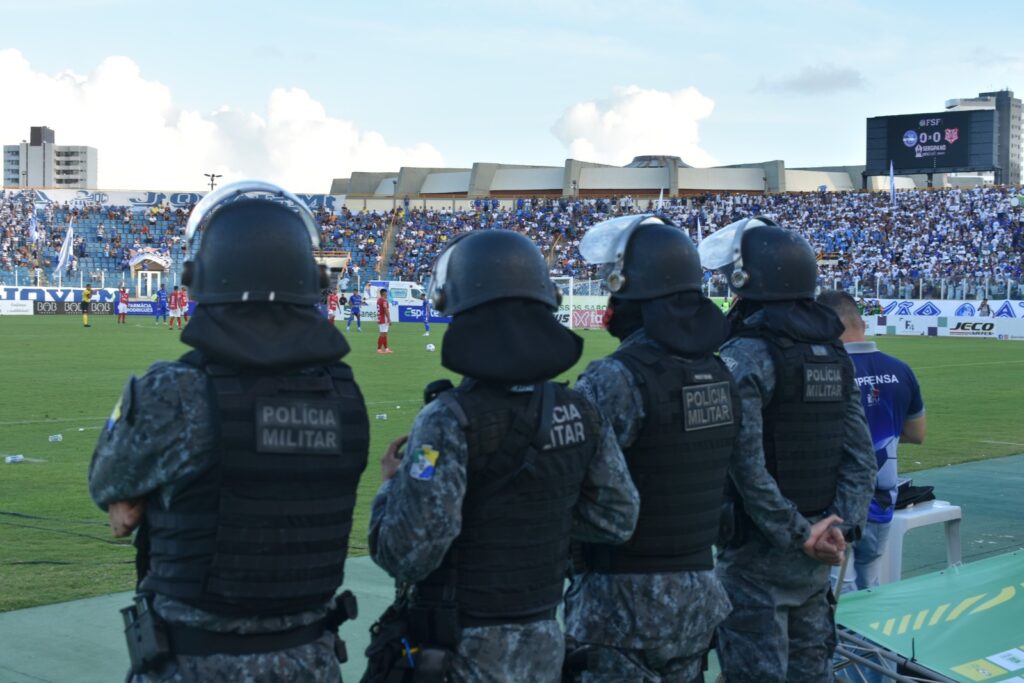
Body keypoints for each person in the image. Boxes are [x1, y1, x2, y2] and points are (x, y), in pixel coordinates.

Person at [88, 181, 369, 682]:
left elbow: (108, 485)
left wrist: (148, 496)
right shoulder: (345, 396)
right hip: (312, 660)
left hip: (195, 661)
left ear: (201, 276)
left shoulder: (175, 390)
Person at [366, 230, 640, 682]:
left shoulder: (446, 419)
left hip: (461, 648)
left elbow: (408, 554)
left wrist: (393, 484)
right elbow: (617, 518)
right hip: (544, 640)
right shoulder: (581, 410)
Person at [699, 217, 876, 683]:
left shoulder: (746, 354)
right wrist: (839, 529)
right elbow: (861, 455)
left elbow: (744, 464)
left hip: (759, 560)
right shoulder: (833, 354)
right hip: (820, 554)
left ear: (747, 282)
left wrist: (798, 532)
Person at [565, 215, 739, 682]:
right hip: (699, 593)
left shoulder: (615, 376)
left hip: (620, 605)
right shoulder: (721, 373)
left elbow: (571, 483)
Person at [817, 291, 926, 590]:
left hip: (835, 498)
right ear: (862, 323)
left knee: (838, 584)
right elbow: (917, 434)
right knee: (870, 579)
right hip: (881, 495)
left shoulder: (824, 371)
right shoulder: (901, 369)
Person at [376, 288, 392, 354]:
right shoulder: (384, 301)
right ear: (383, 293)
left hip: (380, 318)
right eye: (386, 293)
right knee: (382, 334)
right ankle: (379, 349)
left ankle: (386, 348)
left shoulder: (379, 300)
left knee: (384, 334)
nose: (387, 294)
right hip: (383, 319)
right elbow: (386, 310)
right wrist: (389, 319)